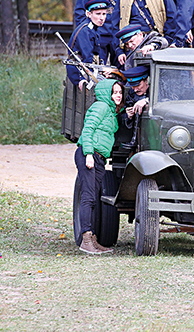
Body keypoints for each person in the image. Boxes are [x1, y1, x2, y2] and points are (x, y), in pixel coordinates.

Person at [74, 78, 125, 255]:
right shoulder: (100, 107)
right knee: (88, 197)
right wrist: (88, 153)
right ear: (106, 93)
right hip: (89, 154)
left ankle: (93, 239)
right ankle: (86, 240)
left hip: (99, 157)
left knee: (93, 198)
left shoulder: (111, 111)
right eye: (114, 92)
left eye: (119, 93)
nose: (117, 96)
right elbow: (87, 129)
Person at [66, 0, 110, 90]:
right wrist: (83, 78)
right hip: (79, 72)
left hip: (86, 69)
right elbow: (87, 58)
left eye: (104, 14)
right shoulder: (86, 31)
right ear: (89, 14)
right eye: (98, 14)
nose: (102, 18)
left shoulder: (93, 29)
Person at [121, 66, 150, 149]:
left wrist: (147, 101)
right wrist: (128, 116)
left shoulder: (159, 88)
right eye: (133, 86)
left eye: (138, 85)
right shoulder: (132, 92)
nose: (135, 90)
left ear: (147, 81)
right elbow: (124, 114)